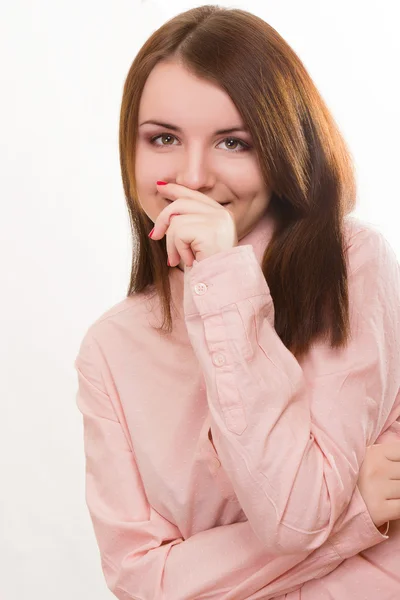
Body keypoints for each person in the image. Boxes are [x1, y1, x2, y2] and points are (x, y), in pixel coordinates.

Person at [74, 5, 400, 599]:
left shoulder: (348, 263)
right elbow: (144, 581)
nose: (192, 176)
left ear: (281, 150)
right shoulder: (111, 348)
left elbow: (294, 513)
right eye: (164, 138)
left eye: (233, 142)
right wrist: (355, 517)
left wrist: (223, 278)